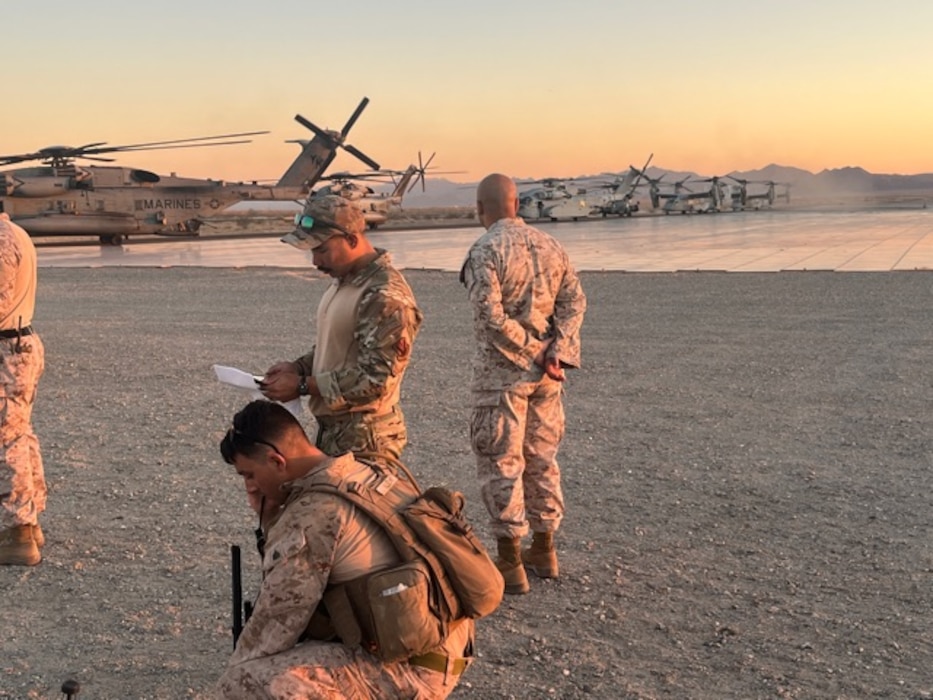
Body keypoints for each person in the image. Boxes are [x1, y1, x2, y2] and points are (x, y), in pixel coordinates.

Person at [214, 400, 474, 699]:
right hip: (443, 644)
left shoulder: (312, 514)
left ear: (276, 461)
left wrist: (234, 670)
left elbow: (277, 623)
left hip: (413, 670)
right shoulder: (365, 468)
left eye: (249, 474)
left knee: (243, 683)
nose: (251, 486)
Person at [460, 173, 587, 595]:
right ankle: (545, 548)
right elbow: (574, 302)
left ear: (482, 208)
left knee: (501, 461)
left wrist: (532, 350)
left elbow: (489, 317)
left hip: (503, 378)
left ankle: (510, 559)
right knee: (542, 458)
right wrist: (556, 351)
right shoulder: (552, 246)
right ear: (516, 203)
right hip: (548, 378)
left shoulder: (485, 250)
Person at [260, 195, 423, 466]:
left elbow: (376, 380)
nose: (315, 261)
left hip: (366, 439)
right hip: (338, 431)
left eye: (322, 250)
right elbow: (338, 346)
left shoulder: (383, 295)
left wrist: (302, 386)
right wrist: (299, 368)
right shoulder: (346, 282)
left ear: (351, 239)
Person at [0, 214, 46, 566]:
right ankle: (29, 524)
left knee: (6, 440)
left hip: (5, 350)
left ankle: (17, 532)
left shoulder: (2, 241)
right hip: (19, 343)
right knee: (19, 435)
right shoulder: (16, 232)